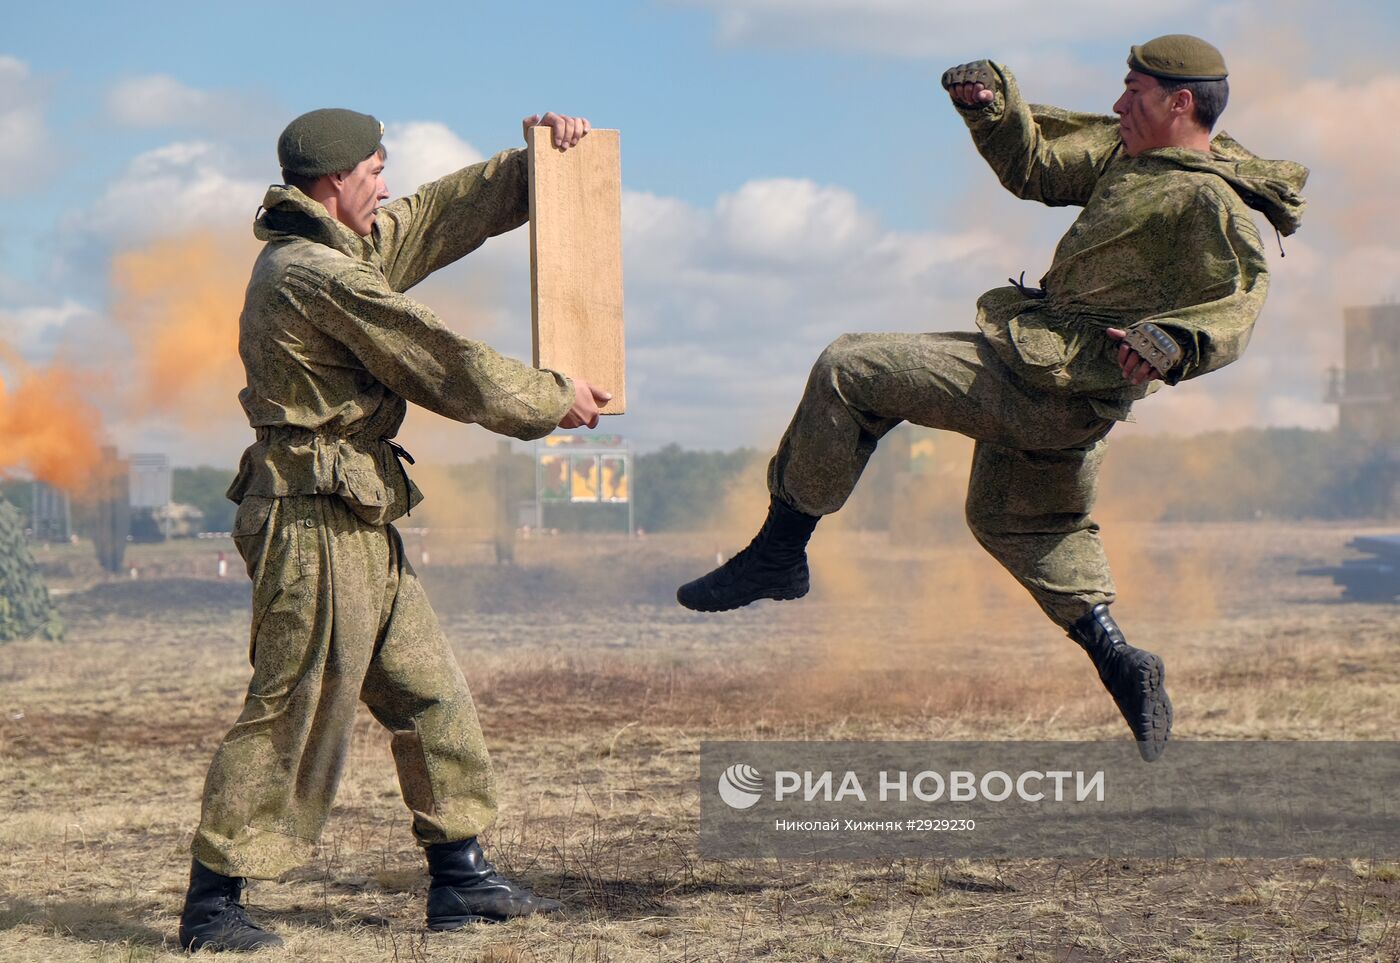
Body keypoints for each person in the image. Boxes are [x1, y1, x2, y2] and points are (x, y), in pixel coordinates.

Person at [677, 35, 1307, 763]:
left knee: (851, 368)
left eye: (1132, 92)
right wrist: (993, 107)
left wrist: (1175, 341)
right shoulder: (1128, 155)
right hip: (1068, 399)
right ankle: (1123, 663)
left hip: (1045, 382)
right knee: (1017, 520)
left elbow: (1239, 295)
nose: (1116, 103)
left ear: (1180, 102)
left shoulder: (1206, 196)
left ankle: (778, 553)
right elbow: (1036, 165)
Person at [179, 107, 612, 952]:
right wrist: (550, 397)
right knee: (291, 703)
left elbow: (437, 216)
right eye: (376, 170)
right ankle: (212, 902)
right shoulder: (313, 274)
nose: (386, 186)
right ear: (336, 181)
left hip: (359, 510)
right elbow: (437, 356)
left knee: (429, 692)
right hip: (310, 519)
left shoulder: (344, 249)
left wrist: (539, 165)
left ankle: (461, 877)